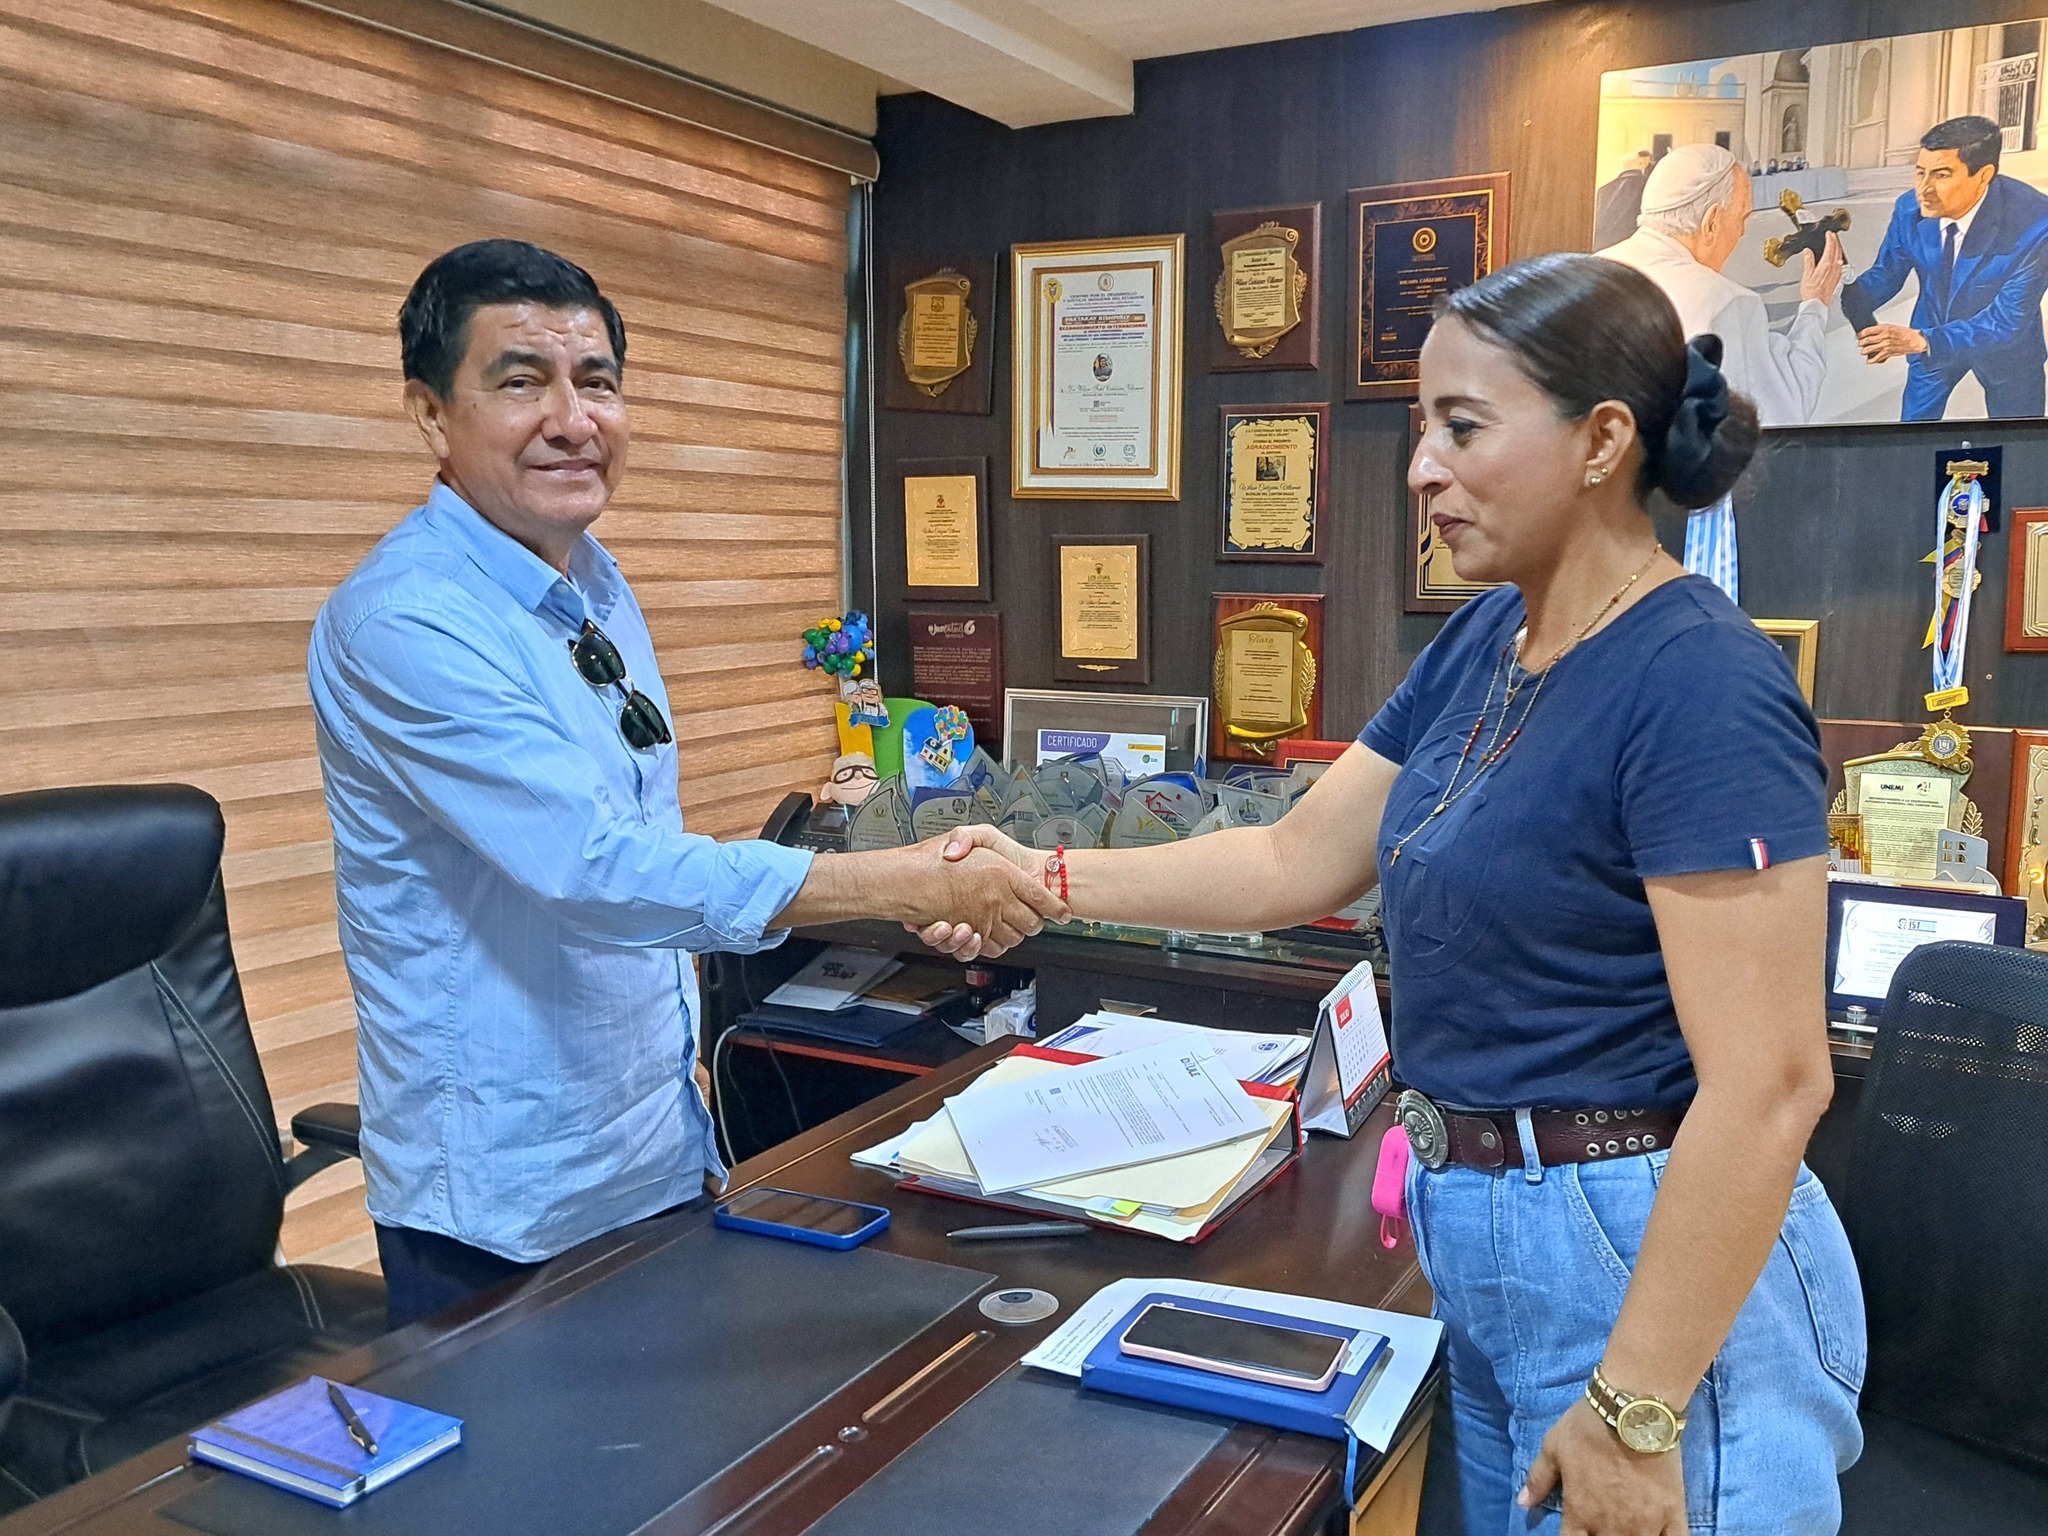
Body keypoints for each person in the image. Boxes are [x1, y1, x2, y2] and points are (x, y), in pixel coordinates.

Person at [932, 255, 1865, 1534]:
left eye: (1461, 427)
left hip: (1641, 1270)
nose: (1420, 466)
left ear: (1601, 441)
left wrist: (1635, 1407)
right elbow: (1292, 859)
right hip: (1482, 1237)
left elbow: (1771, 1086)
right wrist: (1039, 875)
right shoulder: (1485, 640)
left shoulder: (1700, 677)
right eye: (1422, 426)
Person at [309, 240, 1065, 1328]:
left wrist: (910, 883)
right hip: (503, 1204)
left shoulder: (594, 583)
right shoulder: (409, 622)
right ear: (431, 414)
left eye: (597, 382)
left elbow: (634, 838)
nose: (572, 420)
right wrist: (900, 883)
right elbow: (596, 871)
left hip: (650, 1154)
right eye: (520, 382)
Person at [1599, 142, 1841, 426]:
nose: (1742, 232)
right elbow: (1782, 410)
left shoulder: (1590, 269)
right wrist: (1815, 306)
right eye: (1742, 217)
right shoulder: (1725, 301)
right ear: (1712, 222)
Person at [1844, 114, 2048, 421]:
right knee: (1911, 438)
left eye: (1941, 175)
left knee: (2016, 442)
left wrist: (1923, 340)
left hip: (2007, 355)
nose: (1923, 190)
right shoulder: (1910, 209)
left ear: (1983, 176)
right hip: (1932, 336)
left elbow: (2006, 321)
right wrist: (1839, 285)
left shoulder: (2037, 225)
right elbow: (1886, 274)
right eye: (1920, 173)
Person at [1592, 150, 1653, 252]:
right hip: (1636, 249)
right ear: (1641, 165)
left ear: (1621, 167)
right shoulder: (1649, 186)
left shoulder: (1603, 190)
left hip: (1605, 250)